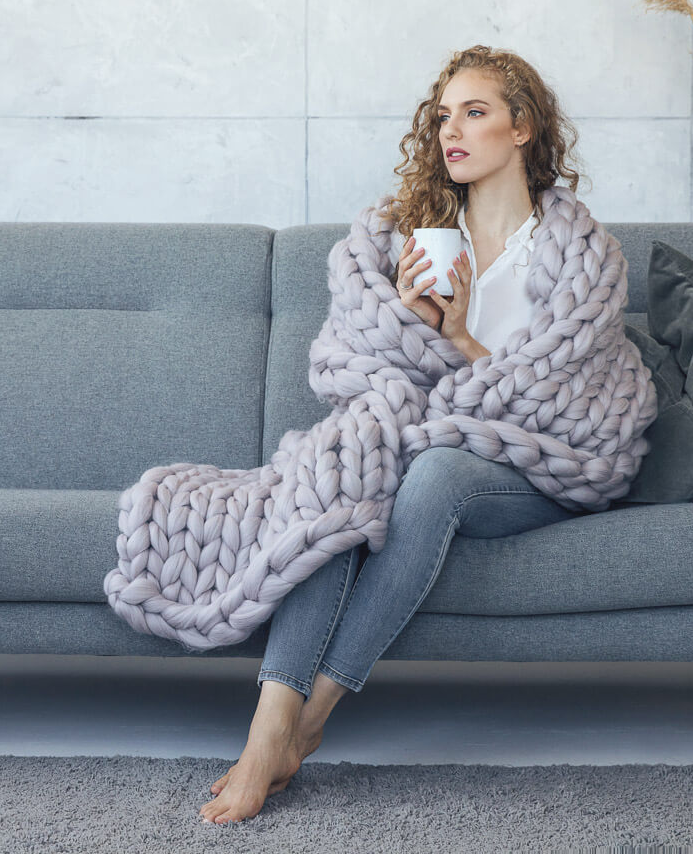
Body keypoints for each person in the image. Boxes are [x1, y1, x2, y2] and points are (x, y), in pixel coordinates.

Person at [199, 45, 594, 825]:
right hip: (423, 447)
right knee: (344, 470)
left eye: (475, 112)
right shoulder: (413, 236)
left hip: (536, 469)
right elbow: (369, 373)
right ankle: (268, 729)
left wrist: (470, 346)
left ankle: (309, 725)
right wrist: (423, 329)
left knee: (440, 470)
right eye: (444, 115)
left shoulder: (573, 252)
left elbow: (571, 404)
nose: (453, 129)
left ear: (523, 127)